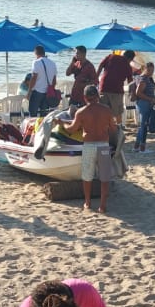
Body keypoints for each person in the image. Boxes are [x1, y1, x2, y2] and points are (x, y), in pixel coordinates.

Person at [63, 85, 118, 213]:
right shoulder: (107, 110)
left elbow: (72, 129)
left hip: (89, 145)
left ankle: (87, 202)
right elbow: (113, 129)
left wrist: (63, 124)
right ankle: (102, 205)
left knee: (87, 176)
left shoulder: (81, 112)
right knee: (104, 177)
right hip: (103, 145)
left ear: (84, 97)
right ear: (98, 96)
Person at [97, 50, 134, 123]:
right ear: (130, 59)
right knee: (117, 113)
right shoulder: (128, 66)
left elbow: (100, 65)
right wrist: (132, 93)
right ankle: (119, 128)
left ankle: (103, 128)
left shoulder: (111, 56)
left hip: (103, 88)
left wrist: (96, 77)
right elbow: (130, 82)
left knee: (103, 111)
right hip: (116, 91)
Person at [130, 62, 155, 154]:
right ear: (144, 69)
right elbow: (138, 93)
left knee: (142, 126)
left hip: (144, 103)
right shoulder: (143, 79)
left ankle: (136, 146)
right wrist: (150, 99)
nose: (151, 72)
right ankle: (142, 148)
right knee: (144, 126)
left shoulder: (146, 78)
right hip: (144, 104)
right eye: (149, 70)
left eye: (152, 70)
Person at [29, 44, 58, 116]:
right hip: (47, 93)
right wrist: (51, 90)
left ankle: (34, 127)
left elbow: (34, 78)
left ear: (36, 53)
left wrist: (29, 91)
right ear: (44, 53)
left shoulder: (36, 62)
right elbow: (54, 80)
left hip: (37, 92)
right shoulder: (52, 63)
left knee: (33, 113)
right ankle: (42, 127)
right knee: (44, 114)